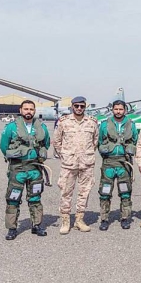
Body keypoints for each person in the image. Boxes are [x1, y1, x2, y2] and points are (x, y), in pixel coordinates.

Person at [0, 100, 51, 240]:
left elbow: (46, 143)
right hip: (18, 168)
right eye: (26, 109)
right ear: (21, 110)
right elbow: (3, 146)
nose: (28, 111)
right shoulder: (11, 127)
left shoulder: (42, 127)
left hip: (35, 168)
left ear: (34, 111)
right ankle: (11, 228)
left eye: (31, 109)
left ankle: (37, 225)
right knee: (13, 198)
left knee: (35, 197)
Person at [54, 96, 99, 235]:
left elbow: (95, 141)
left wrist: (86, 154)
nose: (79, 108)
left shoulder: (92, 122)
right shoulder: (64, 122)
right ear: (72, 106)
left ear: (85, 107)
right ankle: (66, 220)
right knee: (66, 192)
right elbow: (57, 141)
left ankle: (79, 219)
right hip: (69, 163)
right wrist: (65, 154)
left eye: (82, 106)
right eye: (77, 106)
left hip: (86, 163)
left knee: (84, 192)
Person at [97, 100, 139, 230]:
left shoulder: (131, 125)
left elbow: (135, 140)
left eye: (121, 109)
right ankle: (104, 219)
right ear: (112, 110)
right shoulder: (104, 125)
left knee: (125, 191)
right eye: (116, 109)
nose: (118, 111)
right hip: (108, 162)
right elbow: (100, 142)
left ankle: (125, 218)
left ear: (125, 110)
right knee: (105, 192)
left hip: (124, 162)